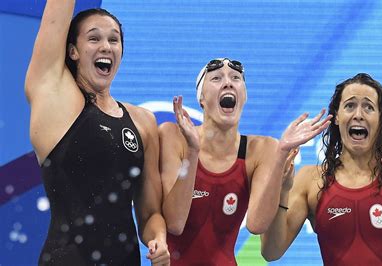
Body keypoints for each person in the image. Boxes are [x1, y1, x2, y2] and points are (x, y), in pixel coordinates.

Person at [25, 1, 169, 265]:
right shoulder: (56, 102)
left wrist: (158, 239)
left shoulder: (143, 122)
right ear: (73, 51)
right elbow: (56, 15)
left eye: (114, 39)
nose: (106, 46)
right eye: (94, 38)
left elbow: (149, 214)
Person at [261, 73, 382, 265]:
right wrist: (282, 191)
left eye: (368, 107)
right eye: (350, 106)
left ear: (380, 119)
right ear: (337, 117)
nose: (358, 115)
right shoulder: (312, 179)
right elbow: (271, 252)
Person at [158, 58, 332, 265]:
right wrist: (193, 151)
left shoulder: (262, 149)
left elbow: (256, 225)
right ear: (201, 98)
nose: (228, 82)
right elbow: (175, 223)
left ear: (245, 96)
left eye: (235, 78)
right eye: (216, 78)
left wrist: (281, 155)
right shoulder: (172, 137)